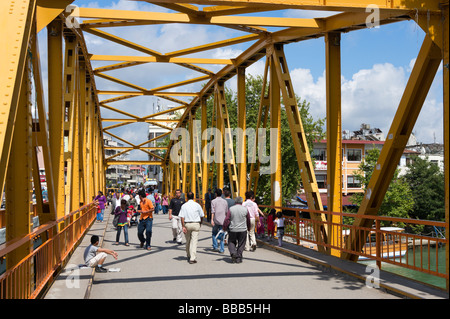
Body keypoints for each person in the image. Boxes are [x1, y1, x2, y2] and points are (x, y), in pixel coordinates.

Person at [223, 196, 250, 264]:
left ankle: (233, 252)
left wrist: (224, 227)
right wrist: (248, 227)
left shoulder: (231, 209)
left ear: (235, 202)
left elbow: (227, 219)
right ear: (242, 202)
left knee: (231, 242)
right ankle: (238, 257)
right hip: (243, 229)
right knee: (241, 243)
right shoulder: (245, 209)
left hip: (233, 229)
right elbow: (248, 219)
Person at [179, 192, 204, 264]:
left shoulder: (184, 206)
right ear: (193, 197)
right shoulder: (197, 205)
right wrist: (200, 223)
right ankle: (192, 258)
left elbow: (182, 217)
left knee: (188, 240)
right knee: (194, 241)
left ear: (187, 197)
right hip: (196, 223)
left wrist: (183, 226)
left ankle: (188, 254)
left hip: (187, 224)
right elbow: (202, 215)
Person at [211, 188, 228, 254]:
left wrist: (212, 220)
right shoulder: (225, 201)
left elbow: (213, 212)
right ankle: (222, 249)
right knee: (222, 234)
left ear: (216, 194)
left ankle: (215, 246)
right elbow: (226, 212)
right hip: (223, 220)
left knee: (214, 233)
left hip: (216, 220)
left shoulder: (213, 201)